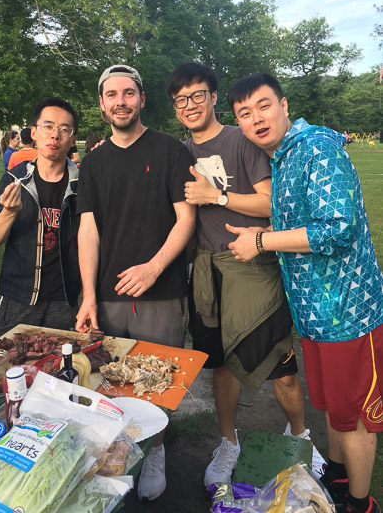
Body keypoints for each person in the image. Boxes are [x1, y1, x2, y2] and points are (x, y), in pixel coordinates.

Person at [227, 72, 383, 513]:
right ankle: (336, 475)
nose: (256, 118)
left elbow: (338, 228)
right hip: (316, 313)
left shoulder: (316, 147)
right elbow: (302, 223)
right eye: (245, 113)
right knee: (334, 408)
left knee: (353, 417)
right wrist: (262, 230)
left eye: (263, 105)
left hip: (348, 311)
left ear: (284, 105)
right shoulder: (284, 157)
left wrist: (260, 242)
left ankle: (359, 504)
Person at [166, 62, 323, 487]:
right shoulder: (179, 152)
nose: (190, 105)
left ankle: (301, 435)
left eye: (198, 95)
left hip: (253, 269)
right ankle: (228, 442)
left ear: (213, 97)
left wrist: (214, 194)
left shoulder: (241, 138)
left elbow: (272, 203)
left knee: (281, 366)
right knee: (220, 366)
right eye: (181, 99)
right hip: (207, 272)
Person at [76, 64, 196, 501]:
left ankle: (157, 450)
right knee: (109, 381)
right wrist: (88, 296)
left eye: (129, 92)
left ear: (142, 99)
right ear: (103, 103)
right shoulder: (91, 163)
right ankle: (119, 451)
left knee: (157, 380)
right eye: (112, 94)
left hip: (160, 291)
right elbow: (88, 230)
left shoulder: (169, 150)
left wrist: (153, 268)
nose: (120, 101)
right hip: (107, 294)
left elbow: (186, 218)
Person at [0, 97, 81, 342]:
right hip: (17, 297)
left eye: (64, 129)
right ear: (34, 132)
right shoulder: (14, 180)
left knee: (59, 372)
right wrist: (8, 212)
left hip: (63, 300)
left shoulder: (83, 185)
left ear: (72, 139)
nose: (55, 135)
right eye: (48, 127)